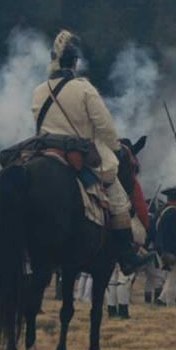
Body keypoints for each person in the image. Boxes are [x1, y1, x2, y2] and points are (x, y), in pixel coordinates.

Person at [31, 30, 141, 275]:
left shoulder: (39, 90)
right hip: (77, 153)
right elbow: (105, 127)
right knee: (116, 193)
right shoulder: (84, 89)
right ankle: (126, 254)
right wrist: (115, 149)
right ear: (75, 62)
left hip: (44, 148)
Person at [155, 187, 176, 308]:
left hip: (162, 250)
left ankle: (161, 299)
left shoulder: (162, 212)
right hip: (174, 251)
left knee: (171, 278)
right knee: (173, 280)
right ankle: (170, 304)